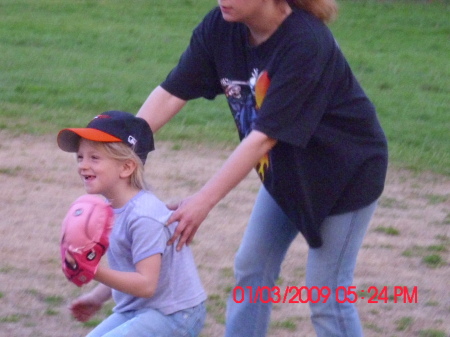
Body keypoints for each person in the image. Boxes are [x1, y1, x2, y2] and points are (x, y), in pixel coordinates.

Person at [136, 0, 388, 336]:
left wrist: (203, 201)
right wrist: (123, 144)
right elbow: (172, 93)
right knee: (252, 267)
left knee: (326, 295)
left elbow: (263, 139)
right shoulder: (221, 27)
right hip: (287, 171)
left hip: (346, 175)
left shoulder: (305, 42)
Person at [57, 110, 207, 337]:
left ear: (126, 167)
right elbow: (129, 266)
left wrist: (91, 270)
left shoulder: (143, 215)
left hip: (174, 314)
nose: (83, 165)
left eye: (94, 158)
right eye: (80, 157)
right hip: (140, 309)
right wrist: (97, 297)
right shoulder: (107, 210)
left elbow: (146, 284)